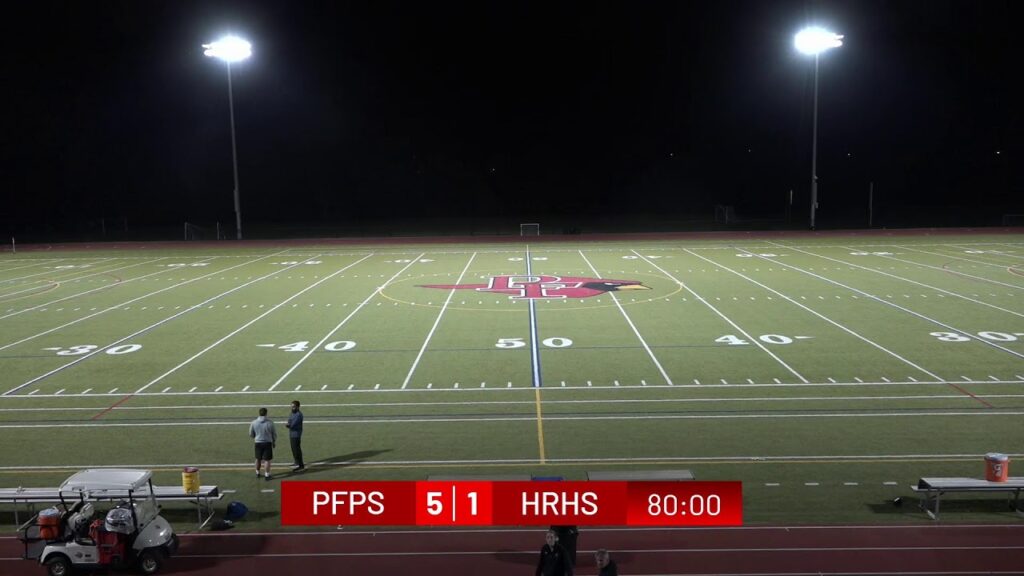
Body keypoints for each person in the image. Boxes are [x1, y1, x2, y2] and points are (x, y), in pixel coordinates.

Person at [249, 407, 277, 480]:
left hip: (258, 442)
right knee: (267, 460)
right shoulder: (270, 423)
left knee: (258, 459)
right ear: (266, 413)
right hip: (267, 443)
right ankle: (267, 475)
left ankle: (257, 472)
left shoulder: (254, 422)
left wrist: (256, 437)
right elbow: (274, 434)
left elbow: (251, 434)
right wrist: (274, 442)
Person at [285, 400, 305, 471]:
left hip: (296, 434)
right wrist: (288, 424)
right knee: (294, 449)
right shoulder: (292, 413)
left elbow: (292, 425)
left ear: (298, 407)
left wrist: (288, 425)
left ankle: (300, 465)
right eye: (292, 406)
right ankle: (297, 462)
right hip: (292, 434)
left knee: (296, 450)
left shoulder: (299, 415)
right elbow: (289, 420)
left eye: (293, 407)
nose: (292, 408)